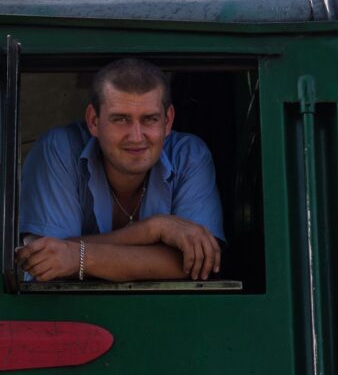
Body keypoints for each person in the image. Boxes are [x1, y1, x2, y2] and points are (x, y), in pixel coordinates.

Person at [16, 58, 223, 282]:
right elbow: (43, 261)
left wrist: (78, 257)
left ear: (168, 120)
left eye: (149, 119)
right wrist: (153, 229)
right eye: (121, 119)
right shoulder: (59, 149)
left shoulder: (189, 155)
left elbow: (198, 264)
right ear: (93, 121)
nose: (136, 136)